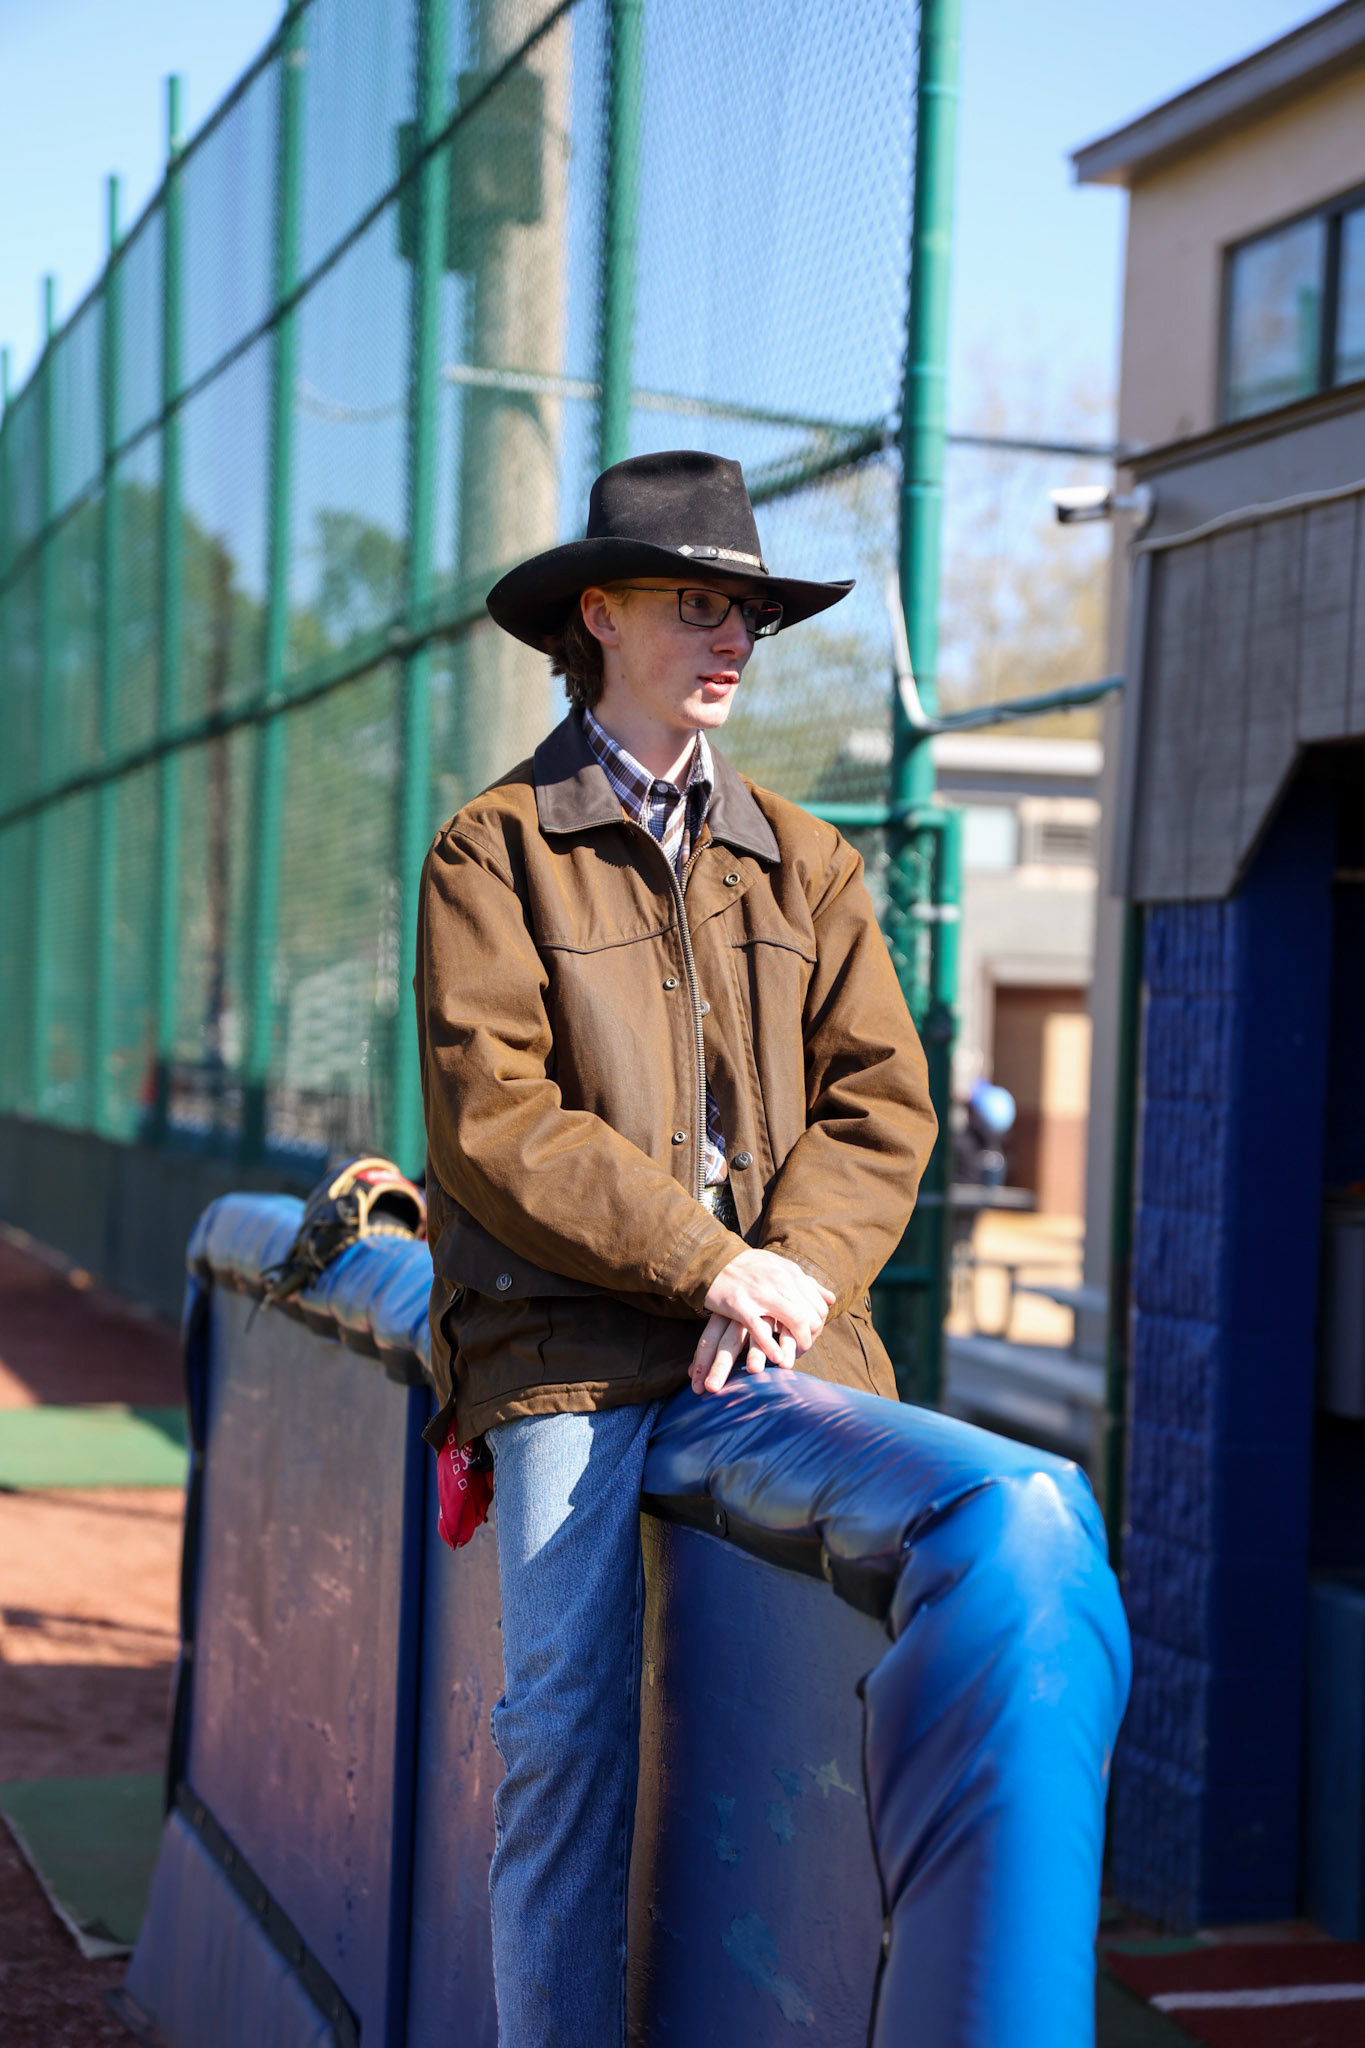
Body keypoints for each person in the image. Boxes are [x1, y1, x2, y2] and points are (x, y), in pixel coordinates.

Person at [414, 449, 1123, 2045]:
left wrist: (784, 1270)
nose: (730, 635)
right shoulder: (492, 848)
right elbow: (495, 1117)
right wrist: (700, 1260)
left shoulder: (807, 859)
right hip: (572, 1349)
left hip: (786, 1335)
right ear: (596, 616)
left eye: (746, 611)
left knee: (866, 1685)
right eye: (693, 603)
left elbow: (882, 1103)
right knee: (565, 1739)